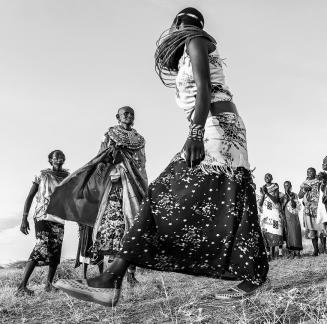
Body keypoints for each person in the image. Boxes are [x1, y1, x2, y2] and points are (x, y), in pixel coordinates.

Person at [55, 7, 268, 305]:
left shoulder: (196, 40)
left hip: (215, 127)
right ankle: (252, 272)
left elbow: (205, 87)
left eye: (179, 23)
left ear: (181, 25)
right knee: (225, 197)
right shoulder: (189, 50)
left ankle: (111, 277)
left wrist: (195, 134)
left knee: (163, 193)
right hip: (212, 125)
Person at [48, 106, 147, 286]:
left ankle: (131, 274)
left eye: (131, 113)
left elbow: (142, 162)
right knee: (114, 226)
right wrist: (112, 158)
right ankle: (112, 274)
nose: (129, 116)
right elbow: (101, 157)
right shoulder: (110, 134)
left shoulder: (139, 139)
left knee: (134, 225)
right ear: (118, 116)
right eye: (125, 113)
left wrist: (141, 181)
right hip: (114, 185)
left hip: (132, 184)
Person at [16, 150, 69, 295]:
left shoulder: (68, 177)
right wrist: (24, 218)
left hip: (59, 218)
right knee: (40, 247)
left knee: (55, 251)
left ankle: (48, 285)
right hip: (42, 216)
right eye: (56, 157)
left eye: (61, 157)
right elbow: (30, 196)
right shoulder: (41, 175)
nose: (59, 159)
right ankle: (21, 286)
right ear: (50, 160)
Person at [259, 173, 284, 260]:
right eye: (265, 176)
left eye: (269, 176)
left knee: (278, 231)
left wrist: (267, 193)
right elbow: (260, 203)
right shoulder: (263, 187)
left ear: (272, 178)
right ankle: (269, 254)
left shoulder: (275, 186)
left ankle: (280, 253)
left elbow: (276, 199)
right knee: (267, 232)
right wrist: (263, 194)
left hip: (274, 211)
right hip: (266, 213)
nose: (267, 178)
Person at [299, 167, 323, 256]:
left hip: (318, 207)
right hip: (308, 209)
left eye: (311, 171)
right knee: (312, 229)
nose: (309, 173)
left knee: (320, 228)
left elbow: (322, 191)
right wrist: (305, 189)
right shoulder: (304, 183)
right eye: (308, 171)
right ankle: (316, 250)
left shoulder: (319, 181)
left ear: (315, 172)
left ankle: (323, 248)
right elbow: (300, 195)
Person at [281, 181, 303, 258]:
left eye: (288, 185)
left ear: (291, 186)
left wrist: (291, 198)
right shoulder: (283, 197)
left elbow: (295, 206)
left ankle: (297, 252)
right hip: (287, 217)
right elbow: (282, 208)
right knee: (288, 233)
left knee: (296, 232)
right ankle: (291, 252)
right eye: (285, 186)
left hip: (294, 216)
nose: (286, 187)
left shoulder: (294, 195)